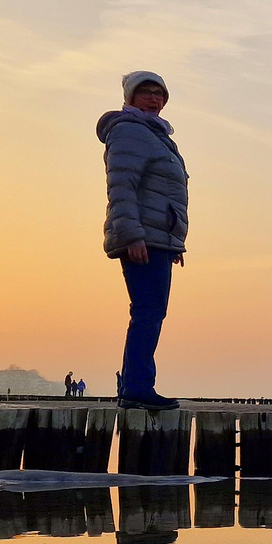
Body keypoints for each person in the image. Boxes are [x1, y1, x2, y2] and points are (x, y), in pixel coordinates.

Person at [99, 70, 188, 411]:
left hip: (157, 239)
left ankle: (136, 385)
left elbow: (163, 193)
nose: (155, 99)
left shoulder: (155, 135)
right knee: (148, 312)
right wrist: (134, 235)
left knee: (151, 312)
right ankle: (137, 386)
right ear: (130, 96)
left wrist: (172, 241)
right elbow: (121, 186)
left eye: (160, 94)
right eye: (147, 92)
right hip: (141, 238)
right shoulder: (130, 131)